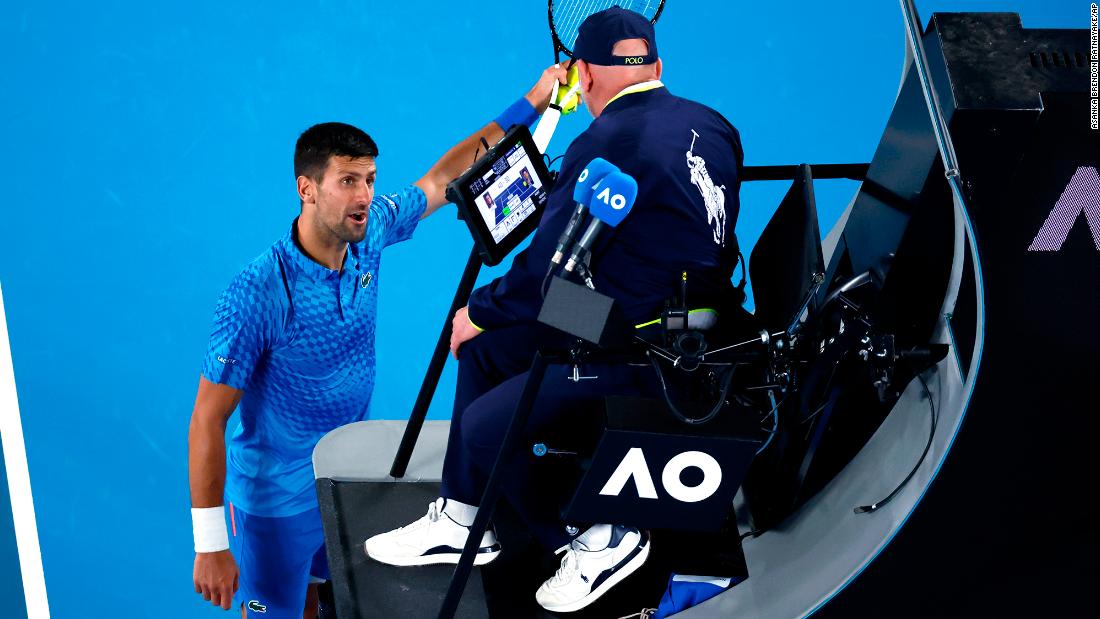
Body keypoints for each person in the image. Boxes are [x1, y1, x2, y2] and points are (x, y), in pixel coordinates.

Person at [365, 6, 745, 614]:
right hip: (688, 318)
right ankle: (462, 519)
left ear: (585, 78)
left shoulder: (605, 141)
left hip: (638, 338)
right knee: (491, 351)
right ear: (656, 65)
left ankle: (596, 539)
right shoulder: (714, 124)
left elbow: (543, 277)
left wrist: (480, 311)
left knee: (488, 414)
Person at [188, 66, 568, 619]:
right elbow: (207, 419)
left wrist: (533, 101)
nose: (365, 195)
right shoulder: (259, 291)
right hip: (275, 508)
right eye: (348, 181)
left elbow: (443, 178)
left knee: (325, 593)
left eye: (369, 179)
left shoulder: (370, 235)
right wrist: (209, 543)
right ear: (307, 188)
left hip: (342, 471)